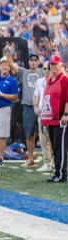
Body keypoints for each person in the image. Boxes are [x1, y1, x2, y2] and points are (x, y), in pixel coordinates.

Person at [4, 46, 45, 168]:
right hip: (28, 106)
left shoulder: (43, 72)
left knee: (47, 135)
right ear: (29, 62)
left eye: (35, 60)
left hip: (42, 107)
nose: (33, 62)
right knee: (29, 134)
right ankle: (31, 157)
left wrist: (53, 50)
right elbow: (11, 64)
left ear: (38, 62)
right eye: (31, 60)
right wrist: (7, 52)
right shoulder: (24, 72)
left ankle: (50, 160)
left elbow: (55, 67)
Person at [41, 55, 68, 183]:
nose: (53, 66)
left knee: (60, 147)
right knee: (55, 147)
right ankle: (57, 172)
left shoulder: (64, 79)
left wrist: (66, 114)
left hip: (61, 117)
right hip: (52, 118)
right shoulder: (50, 80)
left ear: (61, 65)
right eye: (51, 64)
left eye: (56, 64)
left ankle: (61, 174)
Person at [0, 57, 19, 166]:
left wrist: (2, 95)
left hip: (4, 108)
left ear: (9, 68)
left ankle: (1, 158)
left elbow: (15, 96)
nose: (4, 66)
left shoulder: (12, 80)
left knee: (1, 135)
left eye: (6, 65)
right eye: (2, 64)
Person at [33, 62, 53, 172]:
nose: (46, 70)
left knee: (53, 140)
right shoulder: (40, 81)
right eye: (44, 68)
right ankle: (47, 162)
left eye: (48, 68)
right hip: (42, 115)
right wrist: (35, 107)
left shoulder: (57, 80)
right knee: (43, 139)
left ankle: (55, 162)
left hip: (54, 116)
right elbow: (36, 95)